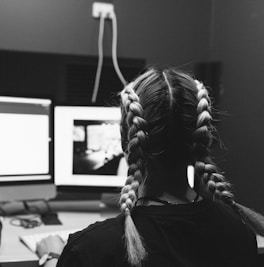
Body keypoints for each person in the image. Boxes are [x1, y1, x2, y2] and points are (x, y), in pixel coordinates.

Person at [36, 66, 259, 267]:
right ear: (202, 139)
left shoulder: (91, 249)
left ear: (127, 142)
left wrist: (51, 259)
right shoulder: (240, 232)